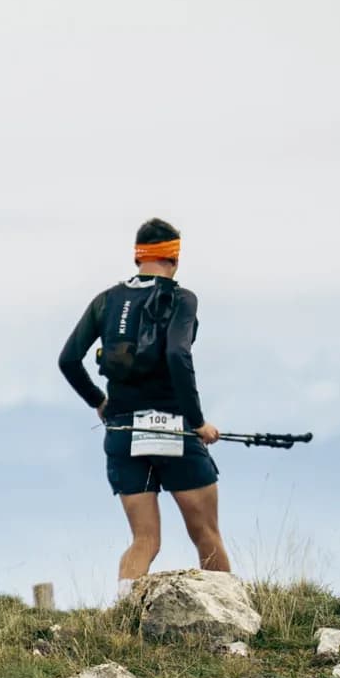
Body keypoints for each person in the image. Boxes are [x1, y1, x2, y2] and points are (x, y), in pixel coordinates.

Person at [57, 218, 228, 595]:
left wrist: (99, 403)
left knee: (145, 541)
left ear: (138, 257)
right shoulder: (182, 299)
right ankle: (231, 620)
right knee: (206, 535)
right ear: (174, 258)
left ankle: (123, 618)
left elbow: (68, 360)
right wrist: (197, 422)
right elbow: (177, 354)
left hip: (122, 432)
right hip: (175, 432)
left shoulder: (106, 300)